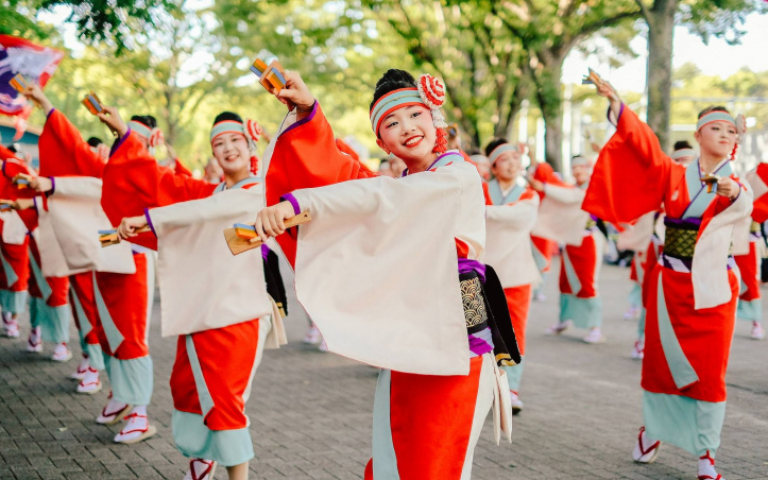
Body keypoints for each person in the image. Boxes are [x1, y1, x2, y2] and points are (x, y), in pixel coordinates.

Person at [257, 68, 517, 479]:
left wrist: (304, 202)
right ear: (382, 142)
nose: (407, 128)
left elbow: (384, 195)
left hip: (458, 340)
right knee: (395, 458)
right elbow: (345, 176)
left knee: (434, 465)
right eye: (392, 123)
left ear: (435, 118)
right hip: (410, 335)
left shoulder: (458, 176)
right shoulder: (407, 182)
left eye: (415, 115)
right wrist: (309, 113)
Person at [584, 80, 750, 480]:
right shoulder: (673, 173)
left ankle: (707, 452)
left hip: (713, 288)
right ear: (698, 135)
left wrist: (732, 193)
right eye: (716, 128)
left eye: (731, 131)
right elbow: (644, 145)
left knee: (710, 372)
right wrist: (618, 104)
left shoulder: (735, 182)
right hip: (670, 283)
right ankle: (653, 431)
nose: (724, 135)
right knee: (661, 366)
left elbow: (745, 204)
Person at [109, 107, 286, 480]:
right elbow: (163, 183)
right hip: (202, 307)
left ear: (250, 145)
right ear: (213, 153)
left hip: (239, 311)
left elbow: (208, 210)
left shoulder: (259, 190)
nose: (228, 148)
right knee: (187, 389)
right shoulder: (211, 192)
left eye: (235, 140)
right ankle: (203, 458)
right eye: (219, 143)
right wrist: (125, 133)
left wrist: (149, 219)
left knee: (224, 400)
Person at [24, 83, 158, 444]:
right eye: (120, 135)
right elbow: (76, 151)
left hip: (134, 264)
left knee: (131, 337)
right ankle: (121, 395)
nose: (122, 141)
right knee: (108, 331)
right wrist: (46, 103)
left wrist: (53, 185)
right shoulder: (108, 168)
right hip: (106, 258)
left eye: (130, 137)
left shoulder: (154, 175)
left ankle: (141, 412)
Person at [483, 138, 540, 414]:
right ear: (493, 167)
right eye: (504, 160)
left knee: (515, 330)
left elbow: (521, 218)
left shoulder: (529, 195)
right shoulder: (481, 190)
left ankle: (511, 388)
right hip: (483, 271)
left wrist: (485, 212)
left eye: (515, 158)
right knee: (481, 330)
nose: (512, 164)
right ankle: (483, 386)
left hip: (517, 273)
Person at [532, 155, 606, 344]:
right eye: (575, 168)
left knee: (587, 283)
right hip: (571, 240)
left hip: (588, 240)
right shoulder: (573, 187)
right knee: (565, 282)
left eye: (581, 166)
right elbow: (564, 193)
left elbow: (572, 196)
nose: (578, 170)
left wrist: (545, 187)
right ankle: (564, 320)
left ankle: (595, 327)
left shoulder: (592, 187)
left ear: (588, 169)